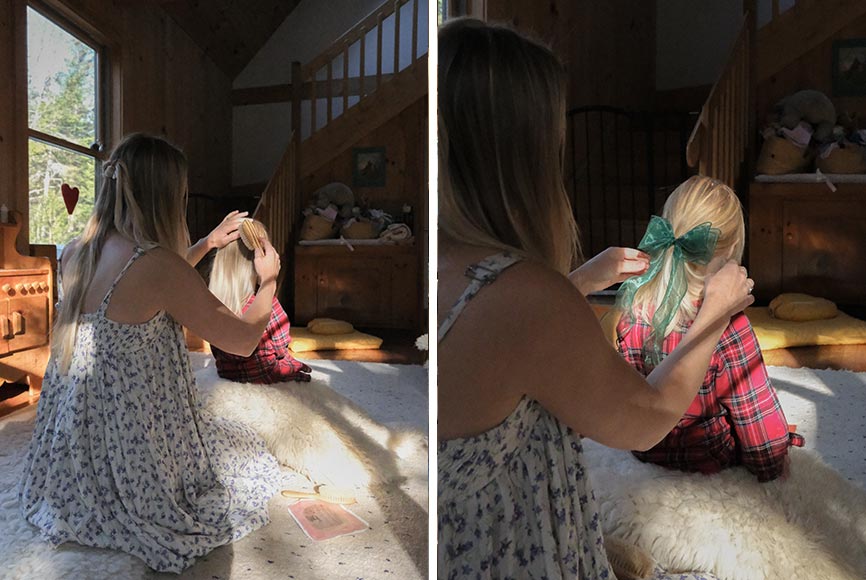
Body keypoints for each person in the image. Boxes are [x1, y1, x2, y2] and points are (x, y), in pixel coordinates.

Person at [437, 18, 754, 578]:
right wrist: (714, 315)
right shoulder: (528, 297)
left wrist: (576, 281)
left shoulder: (449, 264)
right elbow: (648, 418)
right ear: (520, 157)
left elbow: (493, 342)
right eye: (553, 144)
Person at [19, 133, 287, 573]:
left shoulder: (74, 253)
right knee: (240, 463)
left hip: (78, 447)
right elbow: (240, 339)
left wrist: (207, 243)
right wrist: (268, 281)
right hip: (130, 451)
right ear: (165, 196)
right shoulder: (158, 265)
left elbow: (149, 283)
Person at [614, 175, 804, 482]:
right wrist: (774, 462)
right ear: (731, 253)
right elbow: (754, 412)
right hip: (706, 460)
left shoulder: (634, 306)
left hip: (644, 447)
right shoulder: (728, 324)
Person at [208, 219, 312, 383]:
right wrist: (269, 281)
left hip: (227, 373)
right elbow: (281, 344)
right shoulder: (263, 304)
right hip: (264, 373)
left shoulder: (209, 305)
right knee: (297, 370)